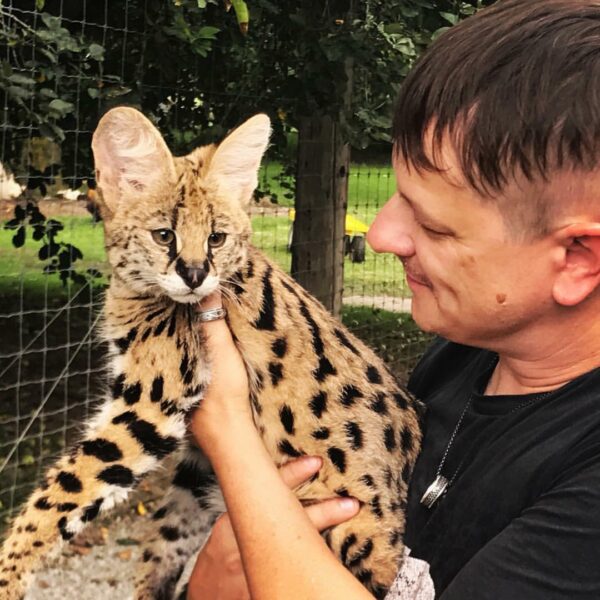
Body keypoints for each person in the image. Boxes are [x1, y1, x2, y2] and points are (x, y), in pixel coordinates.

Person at [187, 0, 600, 598]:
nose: (381, 236)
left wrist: (226, 429)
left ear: (578, 261)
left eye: (434, 227)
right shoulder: (468, 355)